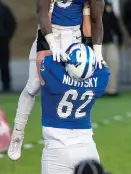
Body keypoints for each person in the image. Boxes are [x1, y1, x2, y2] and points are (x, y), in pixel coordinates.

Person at [8, 0, 105, 161]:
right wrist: (52, 42)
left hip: (75, 36)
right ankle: (18, 134)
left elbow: (97, 19)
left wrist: (97, 51)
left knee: (77, 83)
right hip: (50, 30)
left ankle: (76, 135)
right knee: (34, 85)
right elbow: (42, 12)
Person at [40, 43, 110, 174]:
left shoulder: (53, 75)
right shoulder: (101, 78)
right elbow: (103, 68)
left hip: (56, 149)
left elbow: (47, 59)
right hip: (87, 147)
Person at [102, 0, 123, 96]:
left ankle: (111, 89)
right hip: (93, 42)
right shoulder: (86, 4)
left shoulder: (107, 5)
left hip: (109, 41)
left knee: (112, 65)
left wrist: (120, 38)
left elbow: (115, 23)